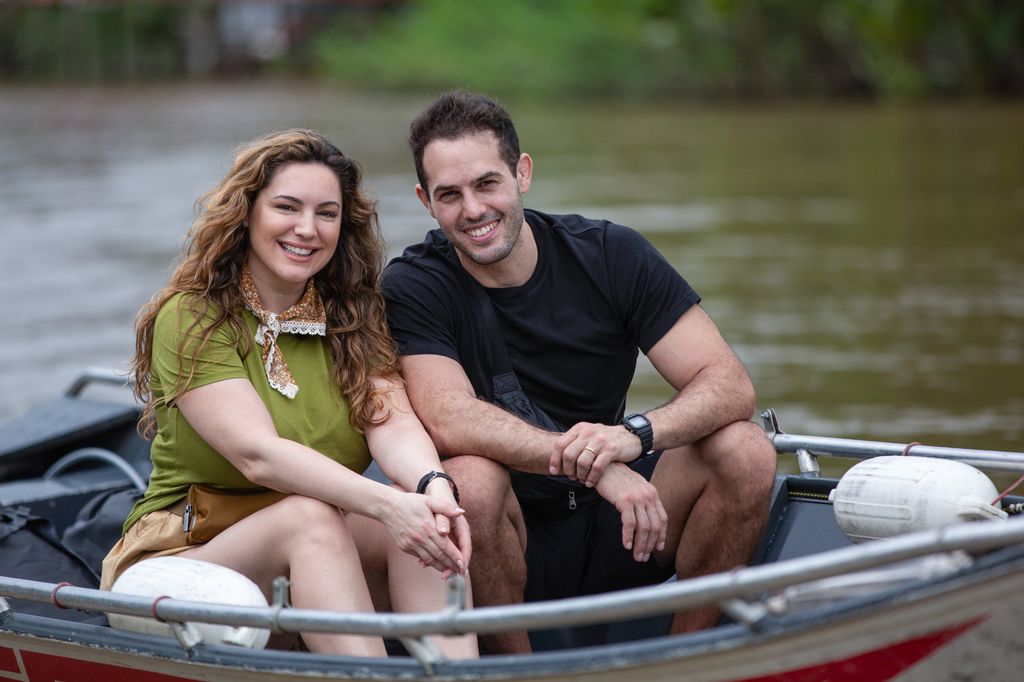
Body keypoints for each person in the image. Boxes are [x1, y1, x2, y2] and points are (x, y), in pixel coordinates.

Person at [381, 91, 778, 654]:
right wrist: (597, 468)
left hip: (624, 526)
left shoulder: (611, 254)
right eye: (450, 195)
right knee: (467, 478)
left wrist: (632, 438)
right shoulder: (414, 285)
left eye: (487, 183)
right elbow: (447, 418)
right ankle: (515, 672)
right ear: (426, 202)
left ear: (522, 174)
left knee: (746, 449)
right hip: (504, 535)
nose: (472, 210)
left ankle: (687, 661)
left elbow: (729, 383)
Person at [100, 129, 477, 658]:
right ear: (247, 212)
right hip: (186, 553)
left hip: (311, 541)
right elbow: (258, 456)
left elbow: (391, 422)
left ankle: (456, 674)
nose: (307, 229)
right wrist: (389, 503)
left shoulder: (353, 315)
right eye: (287, 207)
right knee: (314, 516)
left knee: (421, 524)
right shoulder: (193, 314)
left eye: (327, 213)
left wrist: (431, 485)